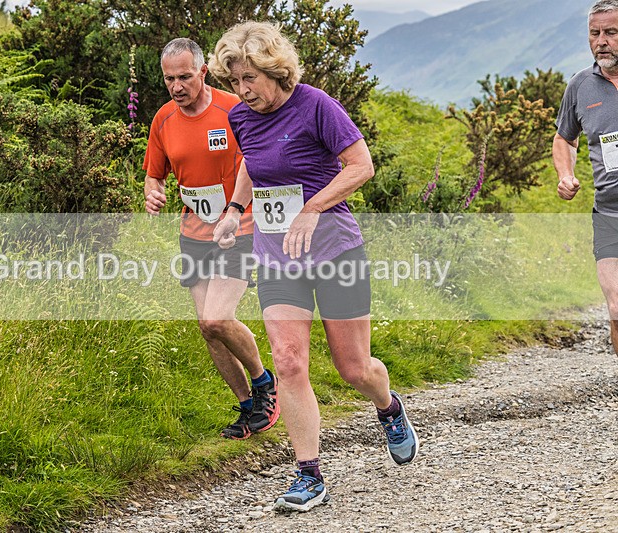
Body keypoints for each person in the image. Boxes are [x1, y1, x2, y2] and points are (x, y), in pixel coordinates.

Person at [208, 21, 419, 512]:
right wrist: (235, 211)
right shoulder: (241, 117)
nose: (242, 90)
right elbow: (250, 165)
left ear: (273, 70)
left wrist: (311, 208)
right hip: (277, 258)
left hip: (335, 251)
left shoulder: (316, 105)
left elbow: (361, 166)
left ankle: (388, 406)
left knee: (354, 368)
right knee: (288, 360)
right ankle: (308, 474)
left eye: (250, 79)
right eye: (235, 81)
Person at [143, 38, 280, 440]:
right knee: (208, 328)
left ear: (203, 72)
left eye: (185, 76)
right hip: (194, 232)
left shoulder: (234, 110)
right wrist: (153, 190)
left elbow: (256, 163)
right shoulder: (163, 120)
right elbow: (155, 172)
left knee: (216, 317)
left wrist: (233, 213)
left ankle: (264, 384)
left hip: (240, 227)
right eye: (170, 78)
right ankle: (246, 407)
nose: (177, 86)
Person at [554, 0, 618, 355]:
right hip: (609, 215)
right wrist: (566, 173)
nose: (601, 41)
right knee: (617, 309)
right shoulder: (581, 86)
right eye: (595, 34)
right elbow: (564, 138)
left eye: (610, 32)